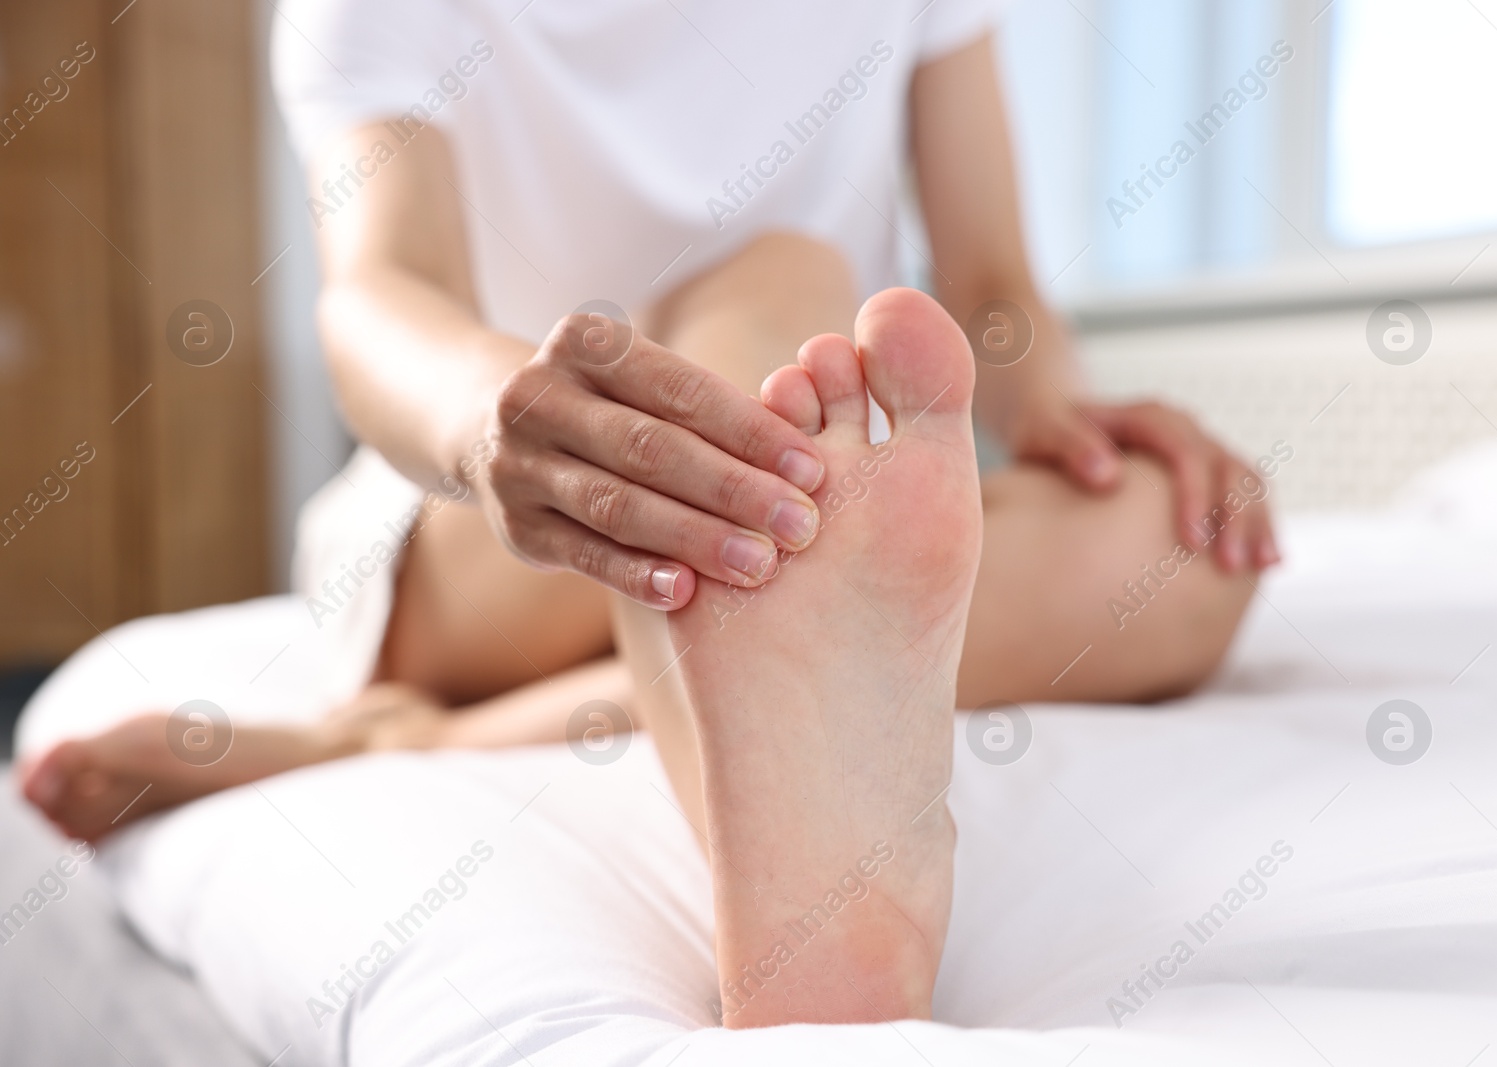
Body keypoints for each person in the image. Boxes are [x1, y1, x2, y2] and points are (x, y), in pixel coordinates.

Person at [21, 0, 1276, 1027]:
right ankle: (781, 730)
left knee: (1181, 540)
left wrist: (1062, 411)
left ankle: (417, 738)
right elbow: (378, 296)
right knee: (779, 276)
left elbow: (994, 286)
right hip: (492, 524)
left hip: (788, 505)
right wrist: (491, 423)